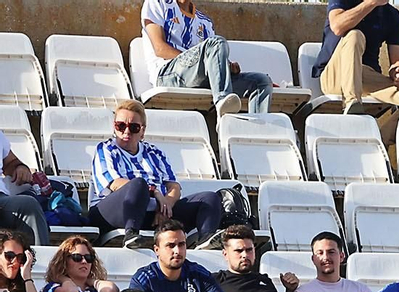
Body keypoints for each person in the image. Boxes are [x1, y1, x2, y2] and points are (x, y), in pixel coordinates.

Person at [88, 99, 222, 244]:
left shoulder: (154, 153)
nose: (126, 131)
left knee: (209, 198)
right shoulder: (106, 149)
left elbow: (174, 187)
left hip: (153, 212)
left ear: (142, 131)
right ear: (114, 128)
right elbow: (114, 184)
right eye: (120, 126)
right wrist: (155, 192)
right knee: (138, 184)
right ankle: (131, 233)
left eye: (133, 127)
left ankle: (206, 241)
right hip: (114, 211)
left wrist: (166, 206)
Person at [310, 0, 399, 149]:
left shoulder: (392, 15)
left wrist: (397, 71)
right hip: (336, 76)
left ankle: (379, 140)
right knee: (355, 35)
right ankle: (352, 104)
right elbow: (337, 26)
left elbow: (397, 61)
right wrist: (370, 3)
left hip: (366, 77)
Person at [141, 0, 271, 115]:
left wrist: (228, 66)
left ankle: (260, 133)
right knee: (217, 42)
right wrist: (199, 59)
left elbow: (212, 55)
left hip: (200, 77)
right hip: (168, 74)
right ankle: (222, 102)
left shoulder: (205, 21)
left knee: (261, 81)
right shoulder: (157, 3)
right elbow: (160, 49)